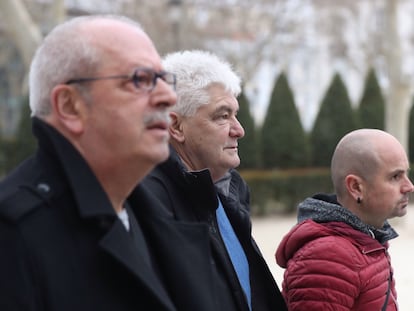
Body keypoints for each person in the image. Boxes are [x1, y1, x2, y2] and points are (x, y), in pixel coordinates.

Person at [0, 14, 182, 310]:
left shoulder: (150, 214)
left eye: (163, 79)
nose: (168, 96)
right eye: (140, 79)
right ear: (70, 106)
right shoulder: (13, 234)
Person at [136, 50, 287, 311]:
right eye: (222, 115)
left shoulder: (231, 191)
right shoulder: (147, 202)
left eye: (235, 114)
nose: (239, 130)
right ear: (176, 127)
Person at [275, 128, 414, 311]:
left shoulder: (368, 239)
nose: (409, 186)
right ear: (356, 187)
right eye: (395, 176)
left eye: (406, 174)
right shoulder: (327, 257)